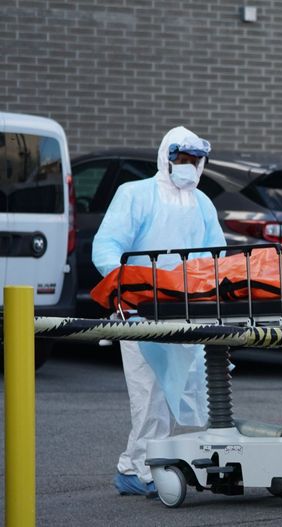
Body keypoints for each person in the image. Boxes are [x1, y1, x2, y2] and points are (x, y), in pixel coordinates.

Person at [92, 127, 225, 496]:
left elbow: (217, 256)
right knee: (149, 394)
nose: (188, 166)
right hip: (140, 312)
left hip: (187, 311)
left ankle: (143, 463)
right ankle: (139, 469)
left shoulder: (202, 203)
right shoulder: (135, 195)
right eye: (182, 159)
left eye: (195, 160)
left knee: (179, 393)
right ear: (166, 158)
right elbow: (106, 247)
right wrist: (129, 285)